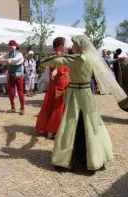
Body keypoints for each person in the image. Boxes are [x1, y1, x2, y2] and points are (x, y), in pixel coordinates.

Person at [40, 35, 128, 171]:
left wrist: (44, 61)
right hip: (83, 92)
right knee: (88, 122)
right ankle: (91, 156)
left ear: (79, 46)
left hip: (78, 94)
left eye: (74, 44)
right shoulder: (89, 57)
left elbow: (60, 60)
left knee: (72, 122)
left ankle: (70, 158)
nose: (71, 46)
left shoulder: (80, 58)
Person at [36, 37, 69, 140]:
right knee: (58, 107)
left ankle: (53, 129)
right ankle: (52, 130)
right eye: (65, 44)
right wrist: (55, 70)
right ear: (60, 46)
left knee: (52, 106)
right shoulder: (56, 55)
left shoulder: (59, 55)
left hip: (58, 83)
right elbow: (55, 65)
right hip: (60, 84)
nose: (66, 46)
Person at [0, 40, 25, 115]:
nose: (9, 48)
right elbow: (1, 58)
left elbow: (15, 60)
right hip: (11, 75)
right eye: (9, 47)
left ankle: (22, 108)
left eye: (11, 46)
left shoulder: (19, 54)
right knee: (11, 93)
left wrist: (5, 60)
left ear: (14, 47)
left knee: (20, 92)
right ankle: (13, 107)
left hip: (18, 75)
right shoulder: (9, 54)